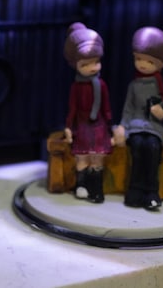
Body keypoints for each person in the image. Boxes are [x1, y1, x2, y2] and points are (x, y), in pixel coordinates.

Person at [113, 26, 163, 211]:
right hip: (136, 126)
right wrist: (123, 127)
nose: (143, 64)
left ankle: (151, 192)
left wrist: (161, 111)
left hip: (154, 127)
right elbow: (128, 109)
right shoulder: (133, 85)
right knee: (137, 147)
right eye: (138, 59)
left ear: (160, 64)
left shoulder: (158, 83)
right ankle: (135, 189)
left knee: (152, 148)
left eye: (149, 61)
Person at [62, 22, 112, 203]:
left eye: (96, 62)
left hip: (99, 127)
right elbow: (72, 108)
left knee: (97, 159)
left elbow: (106, 108)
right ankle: (81, 185)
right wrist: (69, 127)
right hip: (82, 126)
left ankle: (96, 189)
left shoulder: (102, 85)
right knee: (82, 158)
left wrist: (111, 127)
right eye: (86, 64)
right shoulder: (76, 86)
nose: (93, 67)